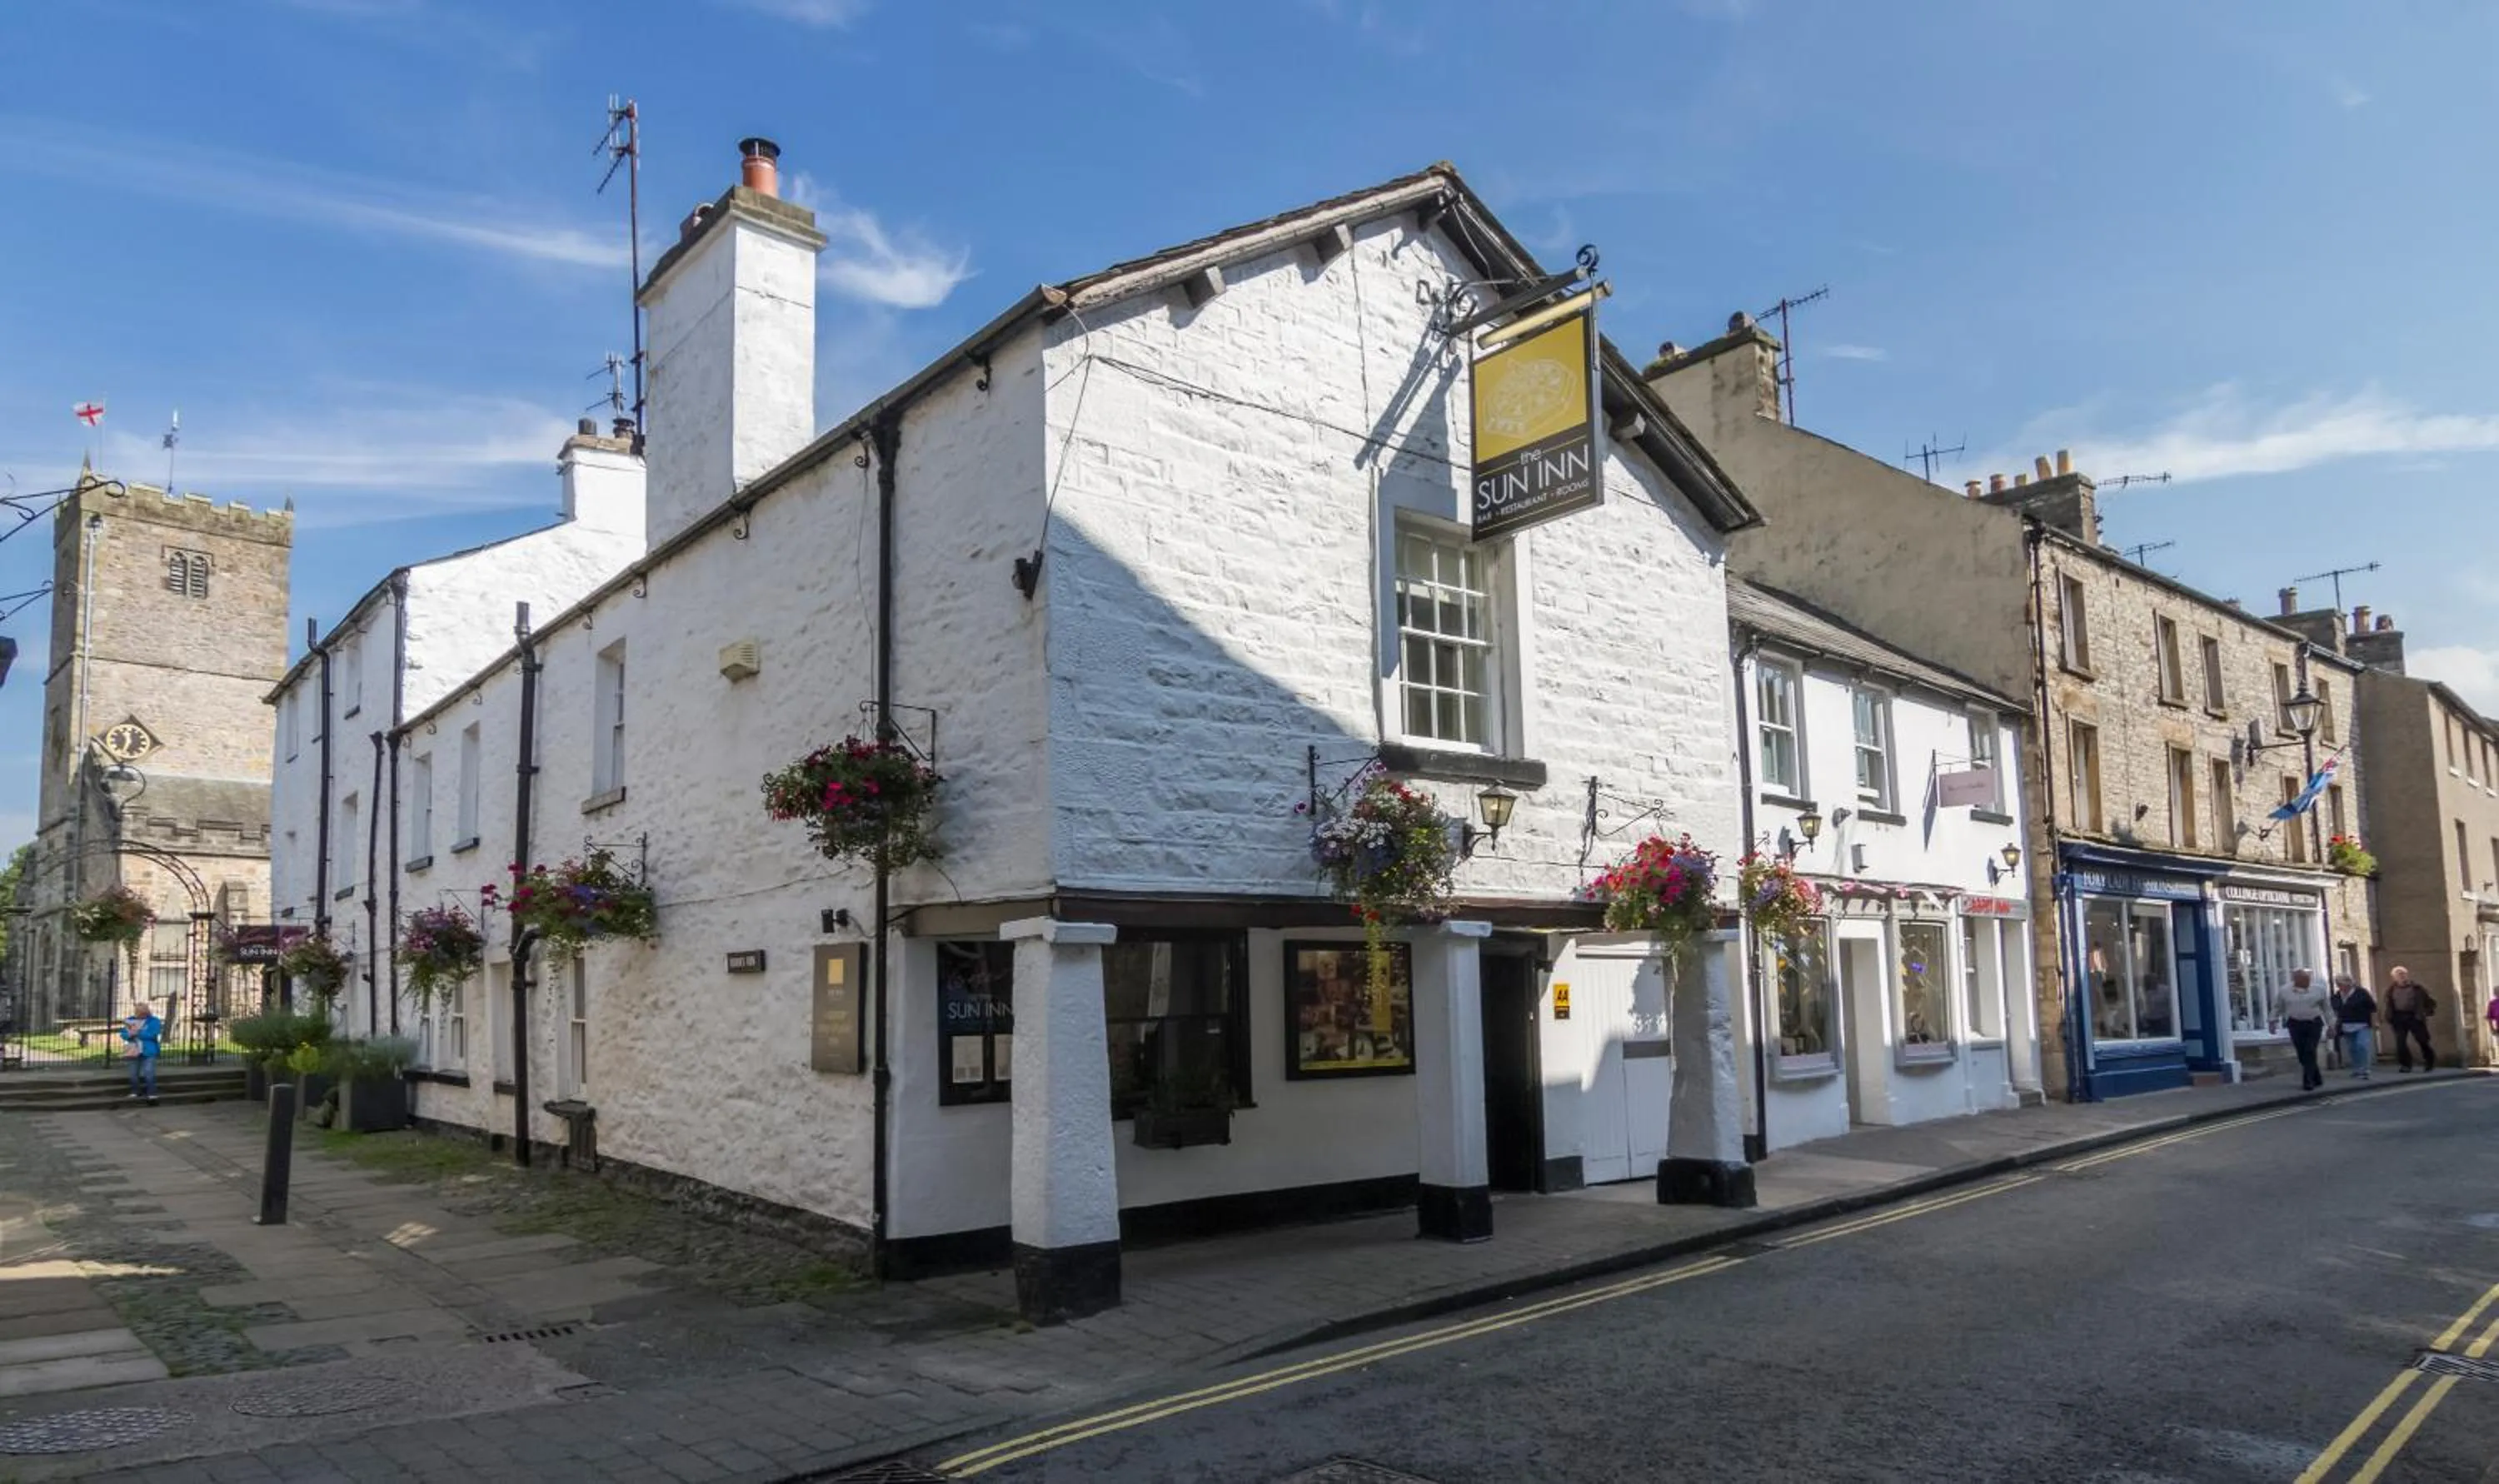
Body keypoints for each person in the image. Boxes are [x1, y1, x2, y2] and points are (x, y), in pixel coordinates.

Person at [2280, 968, 2332, 1091]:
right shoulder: (2285, 991)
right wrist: (2272, 1021)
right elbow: (2278, 1007)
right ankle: (2317, 1077)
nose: (2307, 982)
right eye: (2304, 980)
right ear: (2295, 980)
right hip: (2294, 1024)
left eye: (2308, 979)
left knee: (2309, 1050)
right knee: (2301, 1053)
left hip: (2313, 1023)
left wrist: (2331, 1025)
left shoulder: (2319, 990)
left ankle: (2308, 1081)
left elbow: (2327, 1009)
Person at [2385, 966, 2437, 1072]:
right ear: (2394, 978)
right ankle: (2406, 1065)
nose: (2401, 977)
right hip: (2399, 1017)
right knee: (2401, 1042)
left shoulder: (2417, 988)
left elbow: (2431, 1002)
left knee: (2422, 1040)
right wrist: (2389, 1016)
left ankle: (2429, 1061)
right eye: (2398, 975)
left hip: (2414, 1017)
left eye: (2403, 974)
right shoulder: (2391, 990)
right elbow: (2388, 1004)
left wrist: (2425, 1012)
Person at [2332, 974, 2377, 1080]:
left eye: (2341, 984)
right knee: (2352, 1048)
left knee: (2361, 1046)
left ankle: (2365, 1069)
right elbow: (2335, 1010)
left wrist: (2374, 1022)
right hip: (2346, 1025)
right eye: (2338, 984)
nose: (2340, 987)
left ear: (2349, 983)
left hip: (2362, 1024)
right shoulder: (2337, 996)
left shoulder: (2361, 993)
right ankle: (2357, 1069)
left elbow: (2373, 1007)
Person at [120, 1000, 162, 1104]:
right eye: (139, 1012)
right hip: (133, 1049)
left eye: (143, 1012)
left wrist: (138, 1033)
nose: (141, 1015)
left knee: (149, 1072)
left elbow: (153, 1034)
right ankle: (135, 1091)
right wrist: (129, 1034)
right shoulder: (130, 1020)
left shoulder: (154, 1021)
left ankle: (151, 1093)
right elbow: (123, 1033)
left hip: (149, 1050)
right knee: (133, 1073)